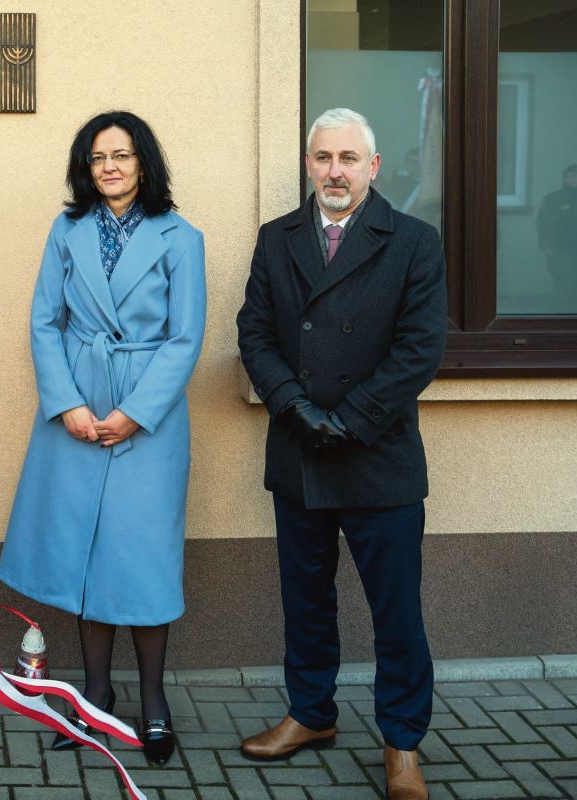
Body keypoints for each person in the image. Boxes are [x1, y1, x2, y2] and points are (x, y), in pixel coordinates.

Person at [236, 108, 446, 800]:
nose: (335, 171)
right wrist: (296, 408)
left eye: (348, 158)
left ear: (372, 167)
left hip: (378, 456)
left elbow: (420, 349)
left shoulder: (413, 241)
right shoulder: (277, 239)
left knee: (396, 613)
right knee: (306, 602)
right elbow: (254, 332)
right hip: (300, 451)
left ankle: (402, 743)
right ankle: (310, 715)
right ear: (308, 164)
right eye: (323, 157)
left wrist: (349, 421)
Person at [0, 110, 206, 767]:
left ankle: (154, 701)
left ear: (144, 161)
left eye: (121, 154)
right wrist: (66, 404)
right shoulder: (67, 231)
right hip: (78, 407)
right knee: (86, 554)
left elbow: (186, 338)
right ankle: (94, 696)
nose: (109, 166)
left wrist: (137, 412)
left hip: (150, 417)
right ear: (85, 168)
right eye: (97, 157)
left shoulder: (182, 238)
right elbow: (45, 321)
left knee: (141, 558)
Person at [536, 163, 577, 308]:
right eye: (570, 176)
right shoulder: (553, 199)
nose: (574, 179)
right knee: (564, 285)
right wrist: (546, 246)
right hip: (561, 250)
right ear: (564, 179)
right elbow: (543, 223)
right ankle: (561, 317)